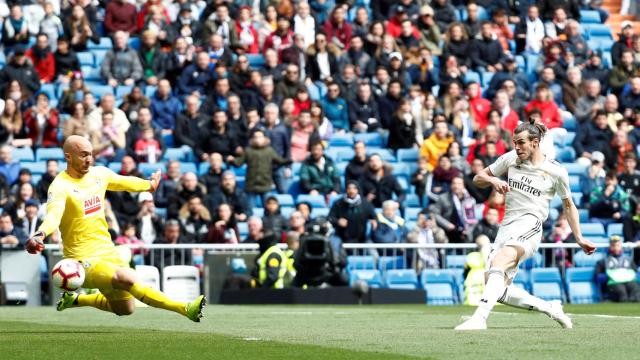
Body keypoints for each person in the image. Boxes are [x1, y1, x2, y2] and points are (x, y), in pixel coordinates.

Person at [24, 136, 205, 321]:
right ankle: (186, 308)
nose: (89, 159)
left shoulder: (99, 174)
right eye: (83, 155)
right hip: (83, 260)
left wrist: (148, 185)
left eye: (91, 155)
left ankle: (76, 300)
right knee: (127, 278)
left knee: (125, 309)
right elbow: (54, 215)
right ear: (68, 157)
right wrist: (40, 234)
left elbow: (123, 182)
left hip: (108, 251)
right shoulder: (60, 186)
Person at [454, 118, 596, 331]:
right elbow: (478, 177)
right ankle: (550, 308)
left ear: (535, 143)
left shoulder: (556, 171)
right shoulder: (511, 158)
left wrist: (579, 237)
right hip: (507, 225)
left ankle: (479, 319)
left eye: (521, 142)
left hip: (531, 224)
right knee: (497, 289)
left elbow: (569, 205)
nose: (516, 147)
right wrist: (493, 180)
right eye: (514, 142)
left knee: (499, 262)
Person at [595, 236, 640, 302]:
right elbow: (597, 277)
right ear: (610, 247)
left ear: (621, 246)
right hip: (614, 284)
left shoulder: (628, 260)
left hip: (629, 282)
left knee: (636, 291)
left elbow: (636, 273)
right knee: (621, 293)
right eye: (613, 245)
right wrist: (608, 276)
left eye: (618, 245)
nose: (616, 248)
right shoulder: (603, 261)